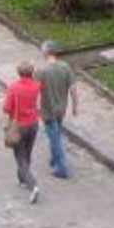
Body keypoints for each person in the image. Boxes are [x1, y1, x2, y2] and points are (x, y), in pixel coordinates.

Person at [3, 63, 43, 204]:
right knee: (27, 153)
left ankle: (33, 185)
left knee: (20, 157)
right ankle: (22, 179)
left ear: (19, 73)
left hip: (19, 126)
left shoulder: (14, 87)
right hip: (33, 124)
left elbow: (6, 108)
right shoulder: (36, 86)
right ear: (31, 73)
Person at [37, 41, 78, 180]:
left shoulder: (42, 71)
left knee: (55, 139)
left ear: (46, 52)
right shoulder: (65, 67)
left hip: (48, 110)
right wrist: (75, 106)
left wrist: (33, 107)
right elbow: (73, 89)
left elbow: (35, 90)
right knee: (56, 133)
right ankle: (54, 159)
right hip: (62, 109)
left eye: (42, 49)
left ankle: (61, 168)